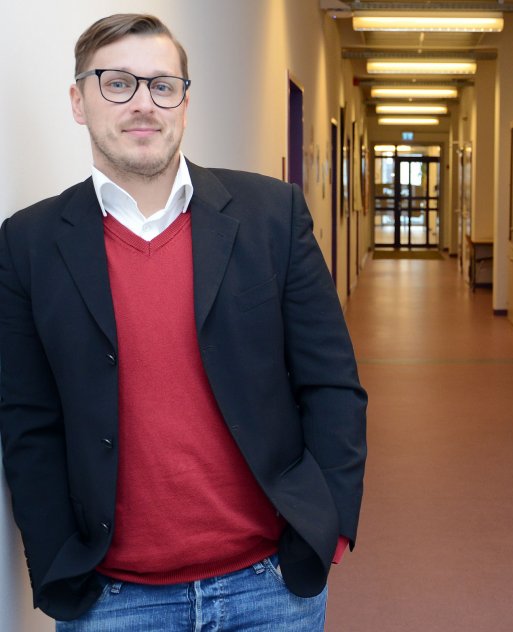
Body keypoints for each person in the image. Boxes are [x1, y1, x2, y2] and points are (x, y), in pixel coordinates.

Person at [0, 13, 366, 631]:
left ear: (185, 102)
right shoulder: (28, 244)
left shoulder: (271, 216)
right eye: (117, 83)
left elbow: (331, 382)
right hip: (114, 601)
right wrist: (58, 559)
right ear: (78, 101)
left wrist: (328, 527)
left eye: (163, 86)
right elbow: (28, 419)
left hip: (268, 589)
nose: (144, 104)